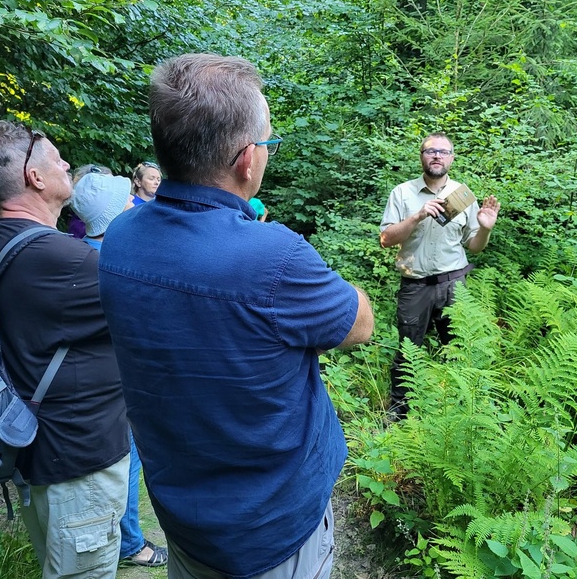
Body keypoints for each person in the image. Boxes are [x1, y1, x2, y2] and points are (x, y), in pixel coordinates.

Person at [97, 53, 374, 579]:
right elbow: (360, 324)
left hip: (184, 519)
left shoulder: (119, 239)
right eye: (267, 142)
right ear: (248, 160)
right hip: (272, 532)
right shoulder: (276, 258)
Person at [0, 121, 130, 579]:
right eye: (58, 158)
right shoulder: (67, 261)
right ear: (35, 178)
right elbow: (163, 316)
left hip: (34, 450)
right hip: (78, 464)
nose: (66, 165)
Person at [70, 173, 168, 568]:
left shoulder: (82, 251)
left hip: (104, 379)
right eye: (125, 201)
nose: (133, 204)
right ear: (112, 215)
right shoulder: (104, 262)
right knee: (127, 460)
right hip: (115, 382)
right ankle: (131, 545)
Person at [380, 132, 500, 417]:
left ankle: (462, 410)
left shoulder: (462, 194)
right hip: (415, 284)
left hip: (453, 284)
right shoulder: (402, 193)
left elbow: (475, 247)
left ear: (452, 158)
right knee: (408, 350)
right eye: (430, 151)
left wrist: (485, 228)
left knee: (459, 347)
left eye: (443, 152)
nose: (437, 156)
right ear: (421, 156)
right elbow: (386, 239)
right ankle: (400, 411)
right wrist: (417, 216)